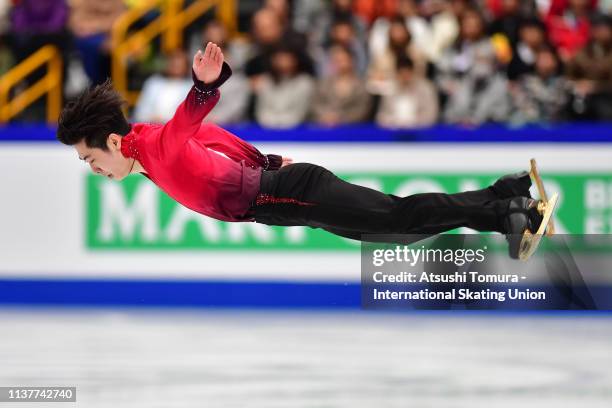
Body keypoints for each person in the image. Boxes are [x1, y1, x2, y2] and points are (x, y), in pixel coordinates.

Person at [56, 41, 550, 260]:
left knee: (401, 219)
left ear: (113, 142)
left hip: (288, 195)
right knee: (395, 230)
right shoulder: (145, 147)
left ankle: (511, 211)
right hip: (284, 195)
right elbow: (208, 138)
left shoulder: (156, 145)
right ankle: (501, 196)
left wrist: (204, 89)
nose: (94, 168)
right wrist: (262, 160)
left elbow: (192, 122)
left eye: (90, 158)